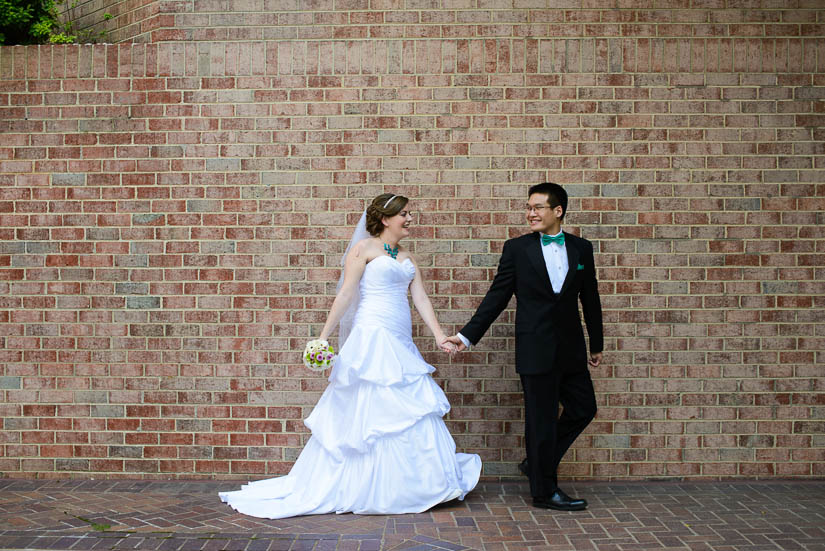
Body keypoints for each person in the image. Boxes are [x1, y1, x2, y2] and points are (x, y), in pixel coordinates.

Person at [220, 193, 481, 519]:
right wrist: (323, 337)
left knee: (404, 405)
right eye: (404, 214)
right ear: (386, 219)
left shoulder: (407, 255)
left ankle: (411, 484)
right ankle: (367, 486)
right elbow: (346, 293)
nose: (410, 219)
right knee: (370, 404)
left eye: (410, 213)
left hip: (400, 339)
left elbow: (421, 299)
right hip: (371, 335)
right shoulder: (363, 250)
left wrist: (440, 335)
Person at [446, 182, 603, 511]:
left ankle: (536, 463)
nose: (530, 213)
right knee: (541, 420)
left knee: (584, 408)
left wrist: (596, 343)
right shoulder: (517, 249)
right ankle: (544, 491)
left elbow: (590, 298)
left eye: (538, 207)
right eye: (528, 207)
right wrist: (466, 335)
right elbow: (497, 297)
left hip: (572, 348)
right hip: (535, 348)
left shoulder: (581, 249)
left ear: (558, 211)